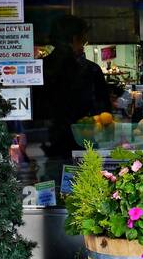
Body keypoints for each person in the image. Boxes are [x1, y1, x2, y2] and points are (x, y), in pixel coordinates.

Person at [35, 15, 110, 168]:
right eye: (83, 39)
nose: (84, 44)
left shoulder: (38, 69)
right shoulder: (90, 70)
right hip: (84, 144)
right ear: (75, 39)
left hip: (50, 145)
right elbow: (103, 110)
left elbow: (37, 109)